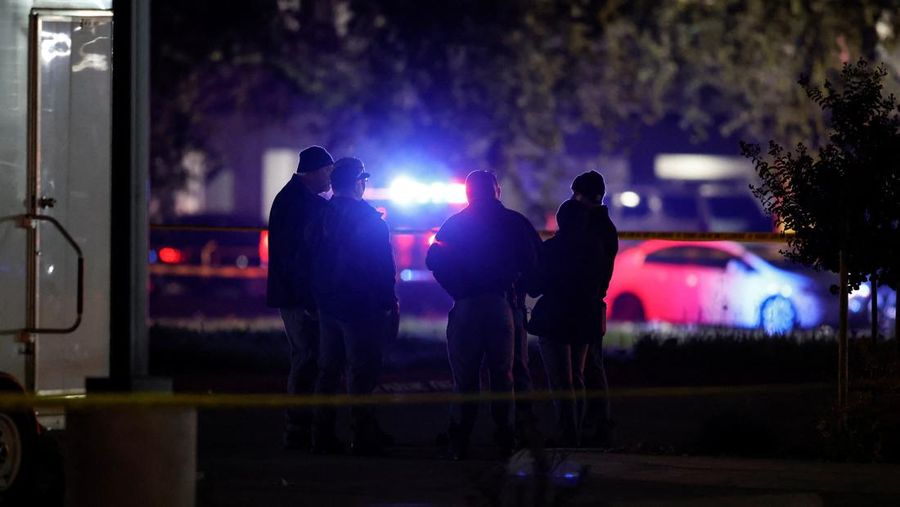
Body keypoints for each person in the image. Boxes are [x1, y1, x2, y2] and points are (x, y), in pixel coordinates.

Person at [426, 170, 540, 460]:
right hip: (505, 307)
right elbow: (535, 264)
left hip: (466, 306)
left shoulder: (455, 225)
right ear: (497, 191)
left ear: (468, 194)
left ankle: (460, 441)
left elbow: (434, 259)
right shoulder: (516, 223)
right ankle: (507, 439)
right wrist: (521, 290)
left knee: (465, 378)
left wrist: (458, 289)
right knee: (505, 375)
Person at [311, 157, 398, 455]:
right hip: (361, 305)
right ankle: (362, 435)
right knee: (363, 371)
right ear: (358, 182)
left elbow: (308, 260)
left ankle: (321, 435)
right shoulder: (369, 219)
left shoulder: (321, 216)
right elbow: (382, 265)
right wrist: (388, 300)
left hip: (328, 304)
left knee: (328, 370)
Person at [526, 170, 618, 447]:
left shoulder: (565, 244)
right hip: (590, 308)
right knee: (585, 374)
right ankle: (594, 430)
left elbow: (537, 282)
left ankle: (575, 432)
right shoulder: (604, 233)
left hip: (564, 312)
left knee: (569, 377)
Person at [266, 145, 335, 450]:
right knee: (307, 357)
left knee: (307, 357)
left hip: (294, 293)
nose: (330, 180)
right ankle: (298, 429)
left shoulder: (292, 199)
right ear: (317, 171)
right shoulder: (300, 204)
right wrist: (309, 298)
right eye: (328, 173)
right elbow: (298, 257)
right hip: (299, 297)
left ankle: (300, 428)